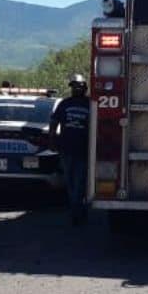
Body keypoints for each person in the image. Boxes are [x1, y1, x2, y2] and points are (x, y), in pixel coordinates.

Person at [49, 74, 92, 225]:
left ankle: (77, 211)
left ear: (85, 88)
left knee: (80, 181)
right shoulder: (64, 104)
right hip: (66, 149)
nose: (76, 89)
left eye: (79, 86)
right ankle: (77, 209)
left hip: (83, 150)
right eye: (74, 86)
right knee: (70, 181)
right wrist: (52, 140)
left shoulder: (90, 104)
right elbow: (54, 123)